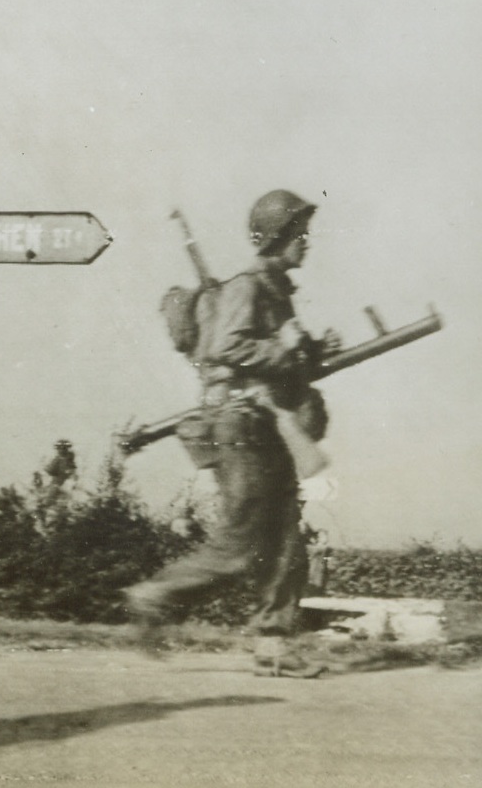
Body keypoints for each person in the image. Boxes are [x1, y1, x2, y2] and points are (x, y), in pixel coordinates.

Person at [124, 189, 339, 678]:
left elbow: (275, 352)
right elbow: (229, 347)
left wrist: (310, 350)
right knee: (241, 545)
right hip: (242, 425)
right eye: (298, 234)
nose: (306, 242)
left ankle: (274, 646)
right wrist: (286, 351)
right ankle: (153, 595)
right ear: (277, 238)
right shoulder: (250, 285)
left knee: (286, 541)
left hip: (265, 425)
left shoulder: (276, 288)